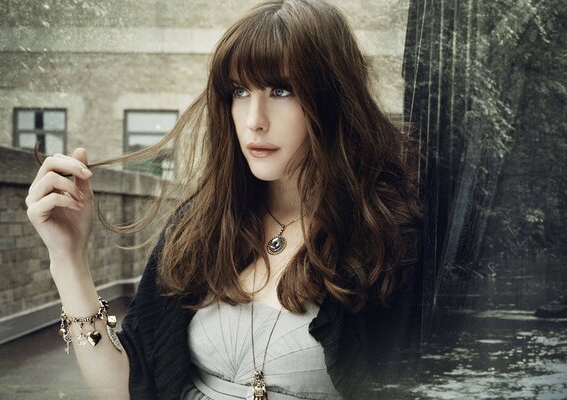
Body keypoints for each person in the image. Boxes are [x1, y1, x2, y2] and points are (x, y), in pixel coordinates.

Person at [25, 0, 423, 398]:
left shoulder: (383, 240)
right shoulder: (200, 225)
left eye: (282, 90)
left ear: (331, 98)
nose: (254, 119)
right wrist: (68, 257)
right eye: (239, 91)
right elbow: (124, 389)